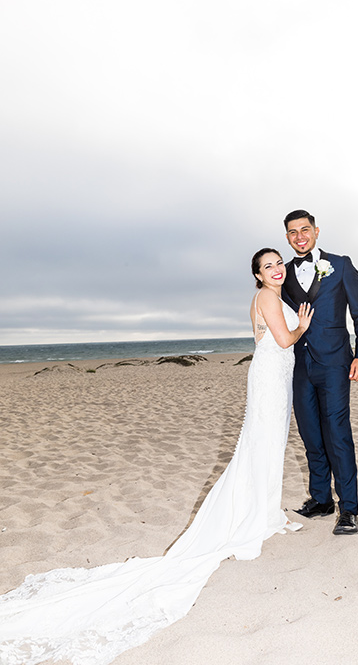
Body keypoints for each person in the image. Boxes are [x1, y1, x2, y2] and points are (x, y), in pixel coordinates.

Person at [0, 249, 313, 665]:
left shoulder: (264, 297)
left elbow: (261, 341)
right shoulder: (271, 298)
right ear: (257, 274)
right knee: (263, 445)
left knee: (262, 445)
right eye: (268, 265)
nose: (277, 268)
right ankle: (256, 516)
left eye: (278, 263)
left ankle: (261, 510)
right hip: (271, 377)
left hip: (269, 374)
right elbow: (280, 339)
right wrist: (303, 326)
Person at [281, 209, 358, 535]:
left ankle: (349, 510)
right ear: (287, 237)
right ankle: (321, 499)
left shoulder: (341, 265)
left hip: (335, 365)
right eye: (292, 232)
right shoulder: (283, 272)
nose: (299, 236)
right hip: (298, 367)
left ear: (316, 232)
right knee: (310, 436)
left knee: (337, 435)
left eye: (304, 230)